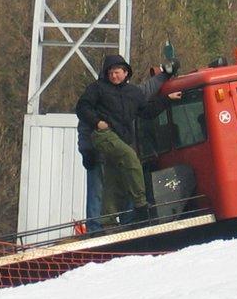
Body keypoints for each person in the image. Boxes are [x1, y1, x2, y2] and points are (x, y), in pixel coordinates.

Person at [76, 55, 181, 229]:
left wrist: (167, 99)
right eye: (110, 73)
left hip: (119, 142)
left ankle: (108, 222)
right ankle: (139, 204)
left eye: (116, 72)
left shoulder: (133, 93)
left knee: (113, 184)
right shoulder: (97, 89)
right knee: (130, 159)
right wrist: (92, 136)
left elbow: (147, 111)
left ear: (125, 73)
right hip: (101, 141)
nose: (113, 76)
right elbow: (82, 110)